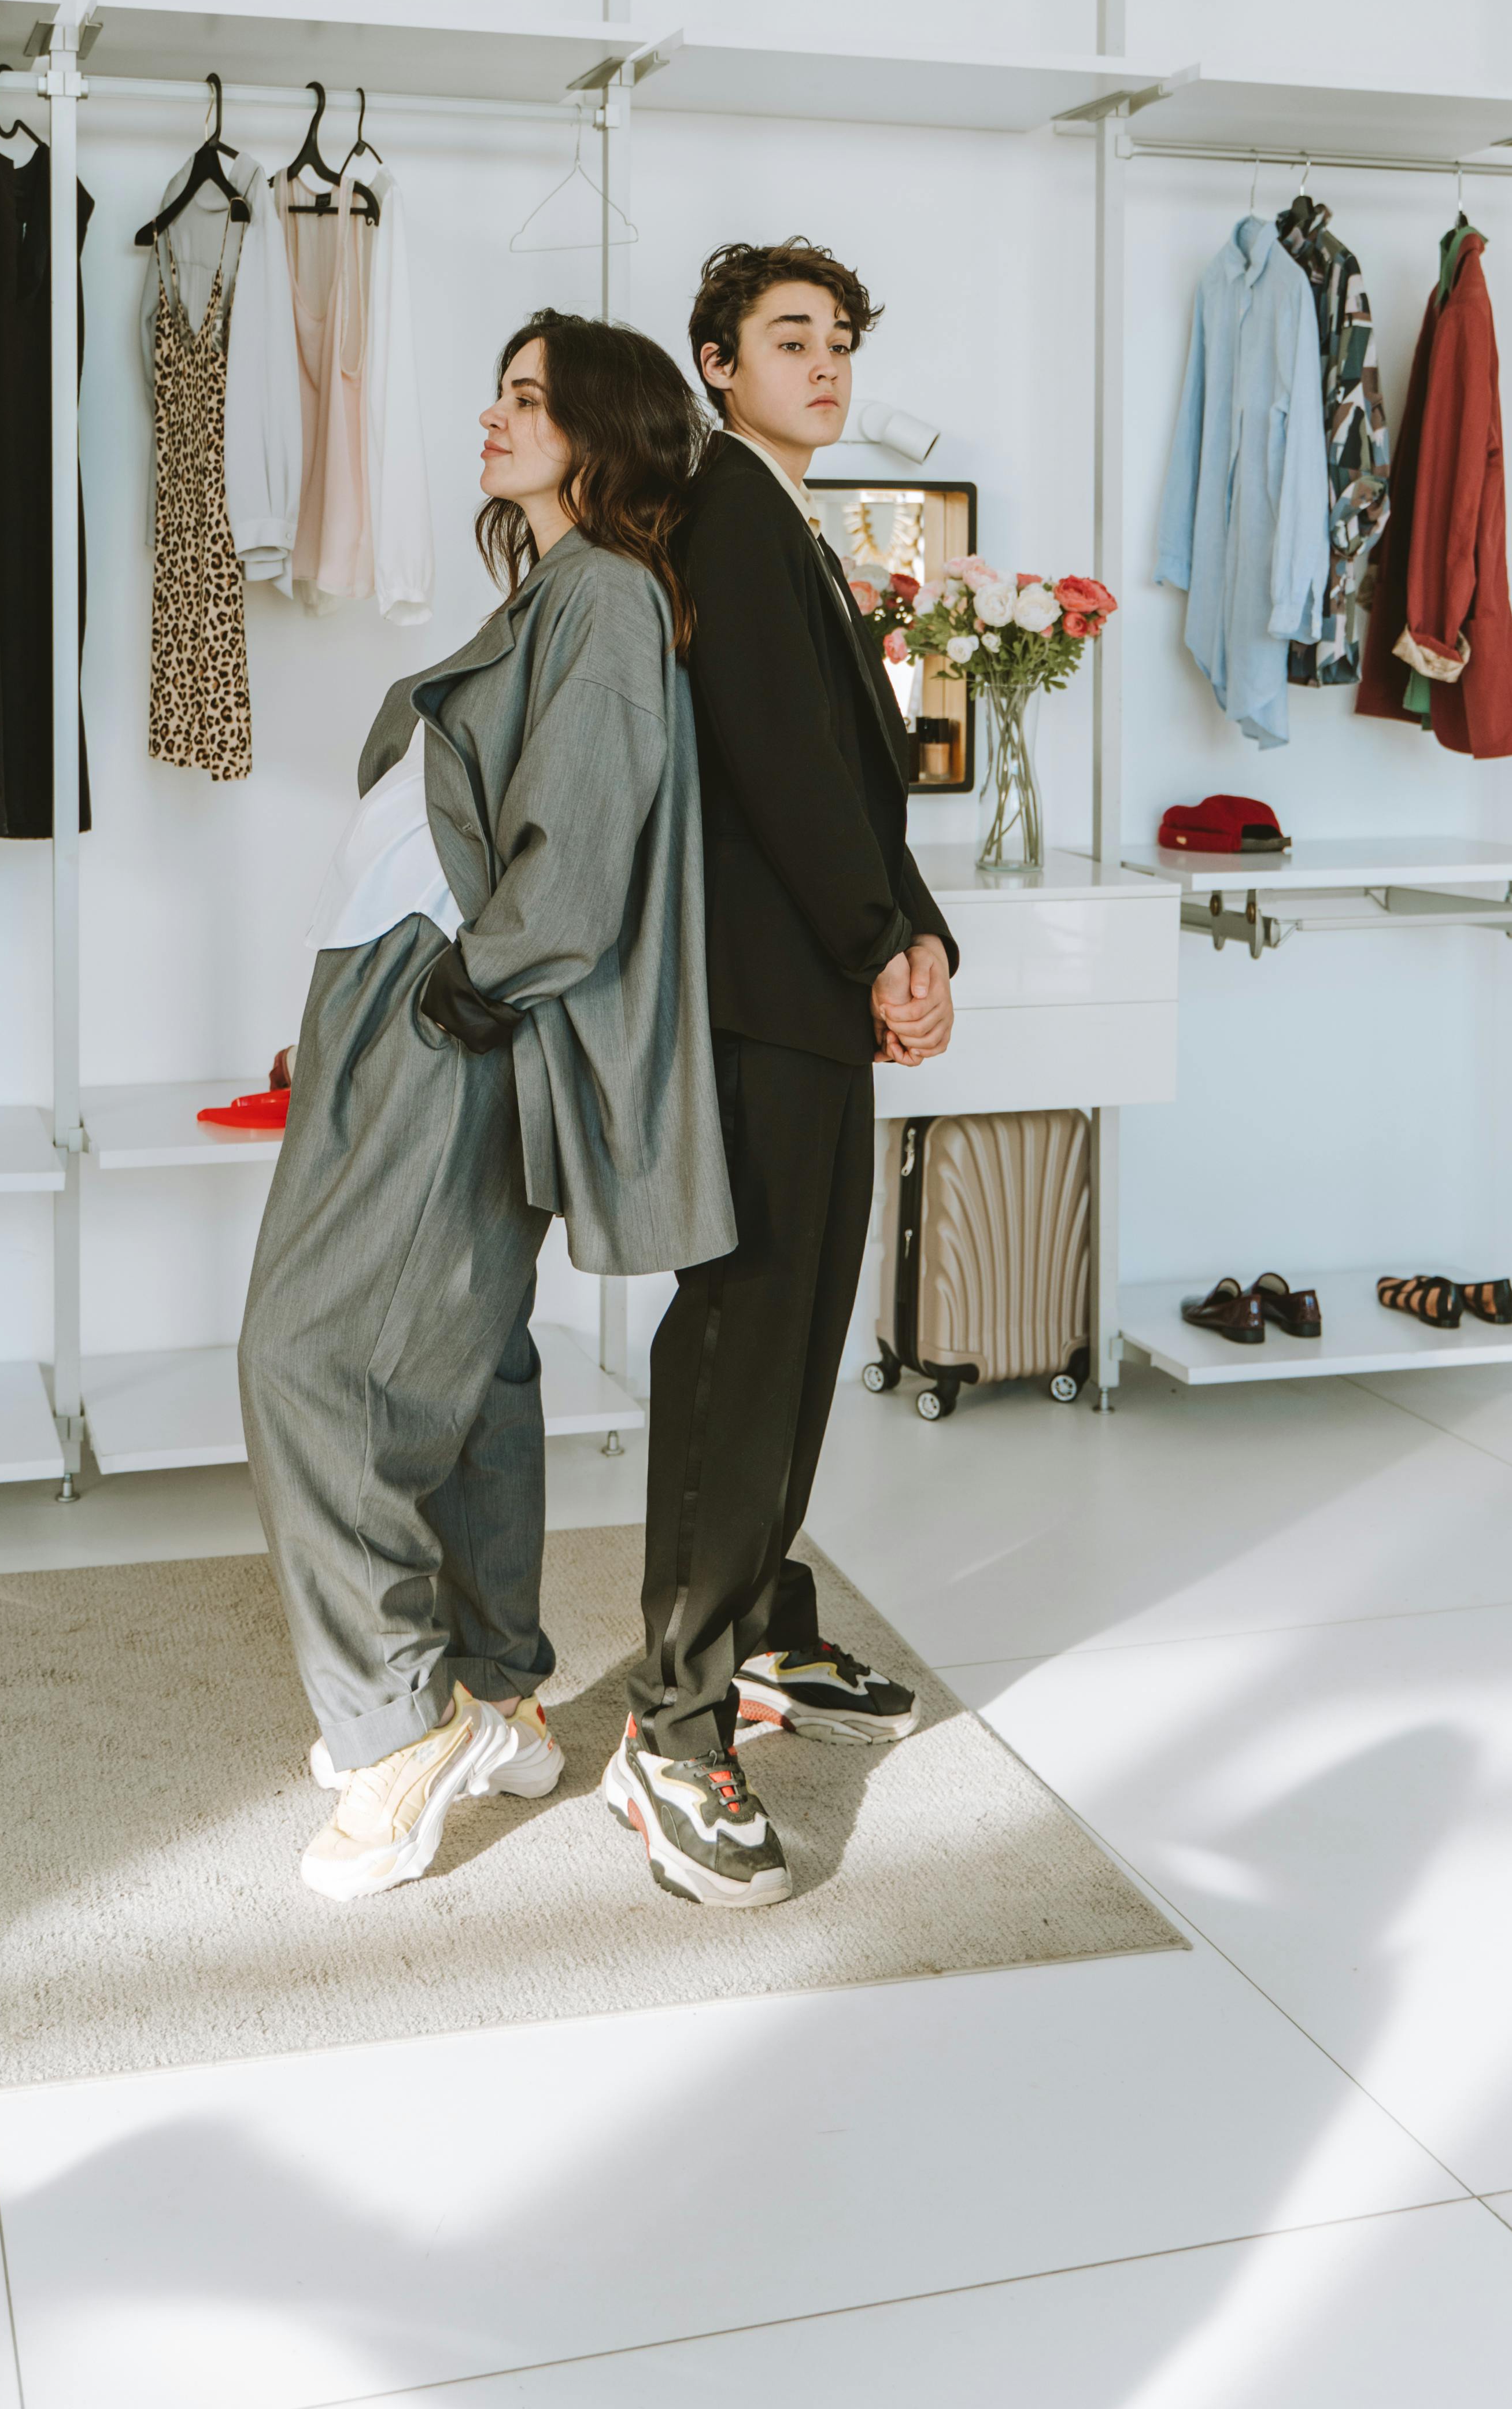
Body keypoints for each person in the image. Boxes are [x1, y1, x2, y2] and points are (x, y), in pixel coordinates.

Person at [241, 307, 731, 1904]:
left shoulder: (598, 596)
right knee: (469, 1366)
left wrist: (468, 988)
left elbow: (577, 846)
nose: (494, 416)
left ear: (600, 432)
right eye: (500, 388)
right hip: (394, 1001)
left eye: (530, 397)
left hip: (446, 1009)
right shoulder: (554, 594)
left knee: (313, 1358)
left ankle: (396, 1734)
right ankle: (504, 1695)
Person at [607, 238, 957, 1909]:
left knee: (798, 1334)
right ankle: (671, 1727)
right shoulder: (733, 512)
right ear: (718, 363)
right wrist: (884, 937)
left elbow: (854, 775)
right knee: (747, 1340)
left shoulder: (784, 521)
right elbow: (777, 763)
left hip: (810, 992)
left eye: (839, 340)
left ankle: (756, 1636)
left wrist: (917, 929)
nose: (825, 365)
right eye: (791, 340)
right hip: (764, 1000)